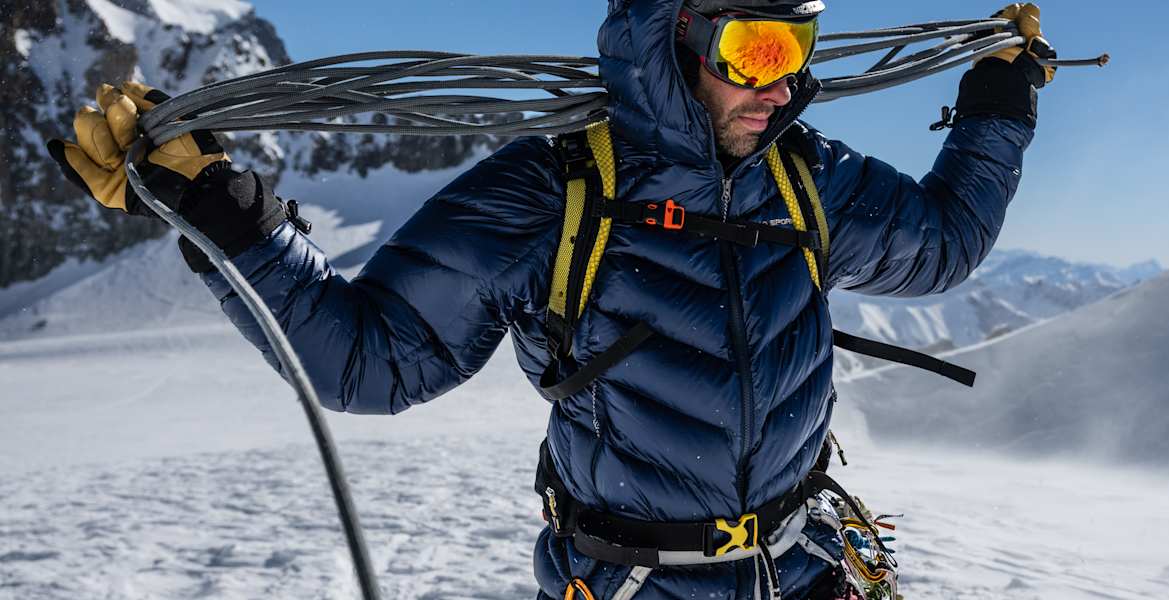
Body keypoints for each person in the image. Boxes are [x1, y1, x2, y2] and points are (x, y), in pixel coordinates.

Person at [49, 1, 1054, 598]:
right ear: (677, 32)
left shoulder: (812, 179)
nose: (780, 88)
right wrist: (229, 222)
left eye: (796, 50)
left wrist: (998, 105)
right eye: (753, 50)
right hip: (634, 584)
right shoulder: (551, 191)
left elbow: (944, 245)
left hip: (801, 569)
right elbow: (370, 361)